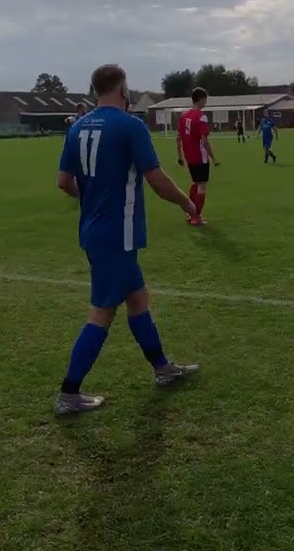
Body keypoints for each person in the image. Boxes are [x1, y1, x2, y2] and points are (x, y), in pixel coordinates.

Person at [54, 64, 200, 416]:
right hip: (116, 234)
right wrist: (186, 201)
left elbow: (63, 182)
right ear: (122, 90)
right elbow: (157, 179)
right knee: (102, 311)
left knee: (137, 298)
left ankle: (162, 368)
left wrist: (91, 198)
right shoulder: (129, 125)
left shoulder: (77, 127)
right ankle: (68, 393)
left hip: (94, 229)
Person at [176, 88, 220, 226]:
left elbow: (178, 138)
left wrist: (179, 156)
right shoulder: (201, 117)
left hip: (189, 156)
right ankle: (196, 217)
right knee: (201, 186)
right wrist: (214, 158)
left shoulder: (183, 116)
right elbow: (204, 141)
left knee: (195, 182)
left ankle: (190, 213)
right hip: (200, 157)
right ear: (201, 99)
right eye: (205, 99)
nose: (206, 101)